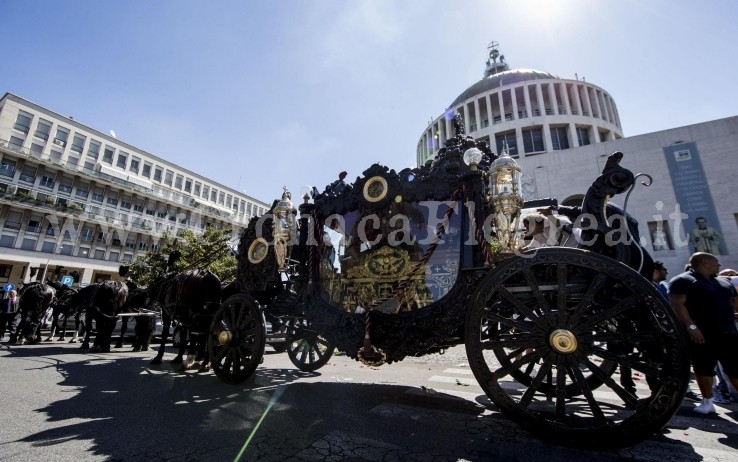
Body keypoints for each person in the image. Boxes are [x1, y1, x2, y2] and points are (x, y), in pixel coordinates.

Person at [669, 252, 738, 414]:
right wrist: (691, 327)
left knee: (734, 368)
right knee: (704, 368)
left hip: (729, 332)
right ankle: (707, 401)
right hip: (702, 333)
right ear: (705, 263)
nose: (719, 264)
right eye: (715, 261)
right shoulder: (683, 280)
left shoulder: (724, 282)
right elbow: (678, 305)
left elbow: (735, 301)